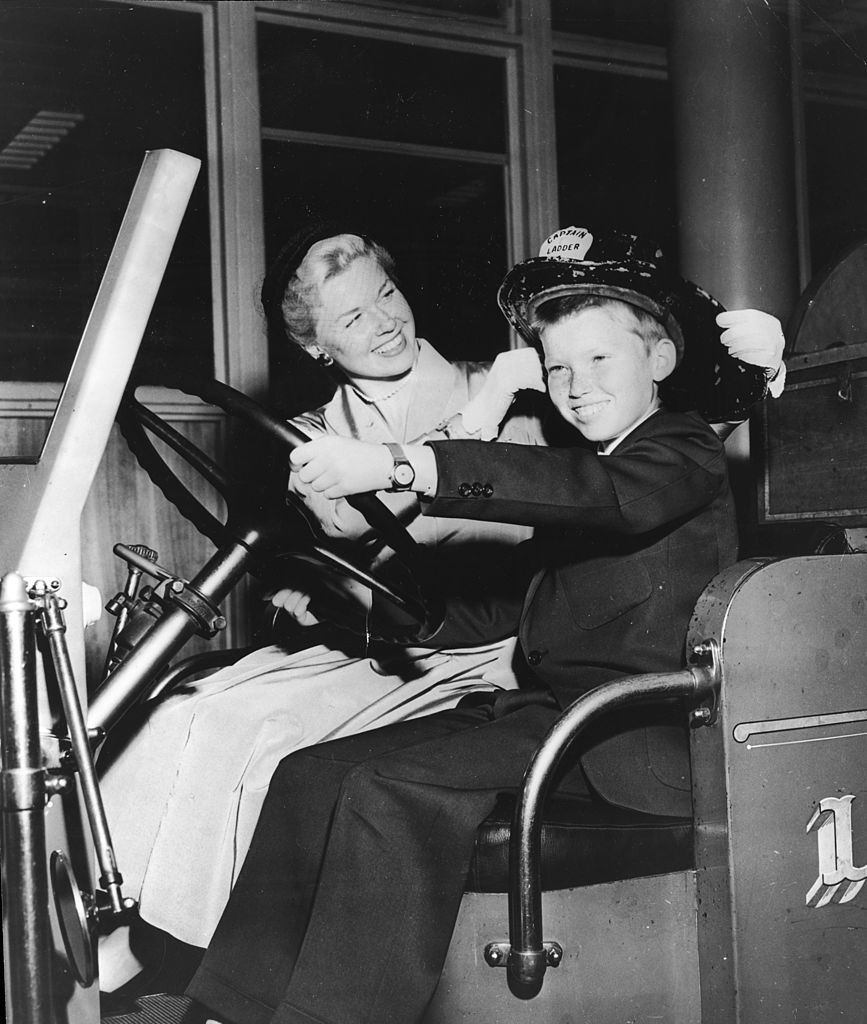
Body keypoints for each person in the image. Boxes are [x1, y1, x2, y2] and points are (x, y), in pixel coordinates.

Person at [186, 225, 784, 1024]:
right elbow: (520, 605)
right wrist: (371, 610)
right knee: (308, 773)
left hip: (636, 741)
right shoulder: (597, 459)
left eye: (600, 360)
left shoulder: (675, 455)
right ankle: (229, 1009)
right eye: (560, 367)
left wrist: (404, 466)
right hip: (557, 719)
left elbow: (584, 490)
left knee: (386, 791)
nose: (575, 385)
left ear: (661, 363)